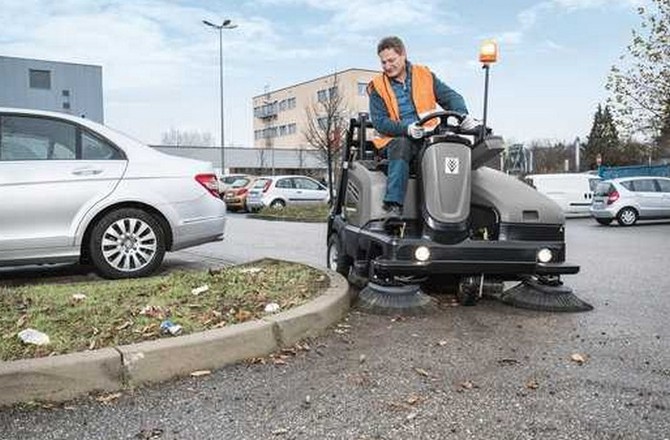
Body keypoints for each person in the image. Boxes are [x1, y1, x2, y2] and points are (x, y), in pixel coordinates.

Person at [367, 36, 479, 218]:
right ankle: (393, 205)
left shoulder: (424, 75)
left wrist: (462, 115)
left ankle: (461, 209)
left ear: (403, 55)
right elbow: (380, 122)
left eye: (391, 60)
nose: (387, 66)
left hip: (428, 137)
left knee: (453, 147)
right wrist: (406, 128)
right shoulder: (377, 87)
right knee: (401, 144)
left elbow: (451, 97)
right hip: (395, 139)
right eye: (383, 62)